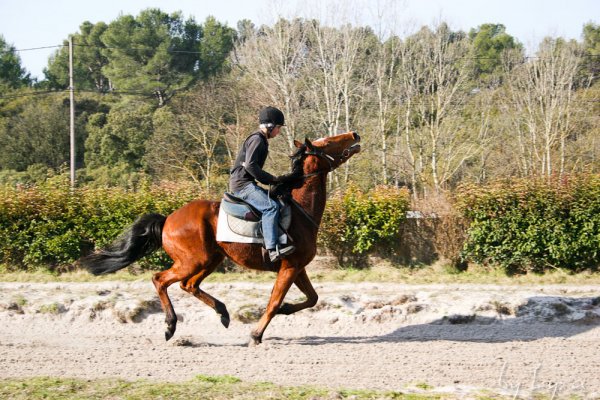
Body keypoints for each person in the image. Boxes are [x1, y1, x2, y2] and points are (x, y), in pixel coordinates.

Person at [229, 106, 299, 262]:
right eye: (279, 128)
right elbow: (251, 166)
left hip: (246, 183)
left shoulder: (260, 139)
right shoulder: (257, 140)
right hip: (243, 185)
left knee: (277, 203)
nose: (279, 132)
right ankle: (272, 248)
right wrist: (273, 179)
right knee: (270, 207)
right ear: (270, 126)